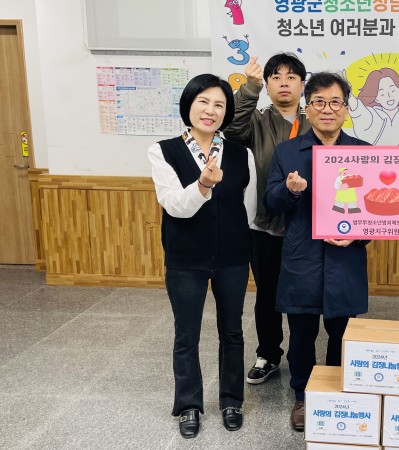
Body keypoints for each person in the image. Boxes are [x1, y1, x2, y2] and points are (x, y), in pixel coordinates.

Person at [148, 74, 256, 438]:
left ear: (227, 112)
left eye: (219, 104)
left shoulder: (241, 153)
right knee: (187, 333)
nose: (211, 110)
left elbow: (248, 207)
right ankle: (189, 405)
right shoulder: (163, 151)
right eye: (203, 102)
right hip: (185, 258)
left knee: (233, 331)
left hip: (233, 256)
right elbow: (175, 206)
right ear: (189, 105)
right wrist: (203, 184)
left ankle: (231, 400)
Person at [264, 72, 371, 432]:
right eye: (319, 102)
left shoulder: (363, 153)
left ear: (346, 108)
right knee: (302, 334)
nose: (327, 109)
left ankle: (338, 393)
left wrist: (357, 237)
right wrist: (290, 190)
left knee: (343, 333)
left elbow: (371, 212)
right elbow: (271, 201)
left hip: (346, 258)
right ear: (307, 109)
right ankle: (303, 396)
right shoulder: (287, 152)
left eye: (335, 102)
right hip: (303, 257)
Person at [224, 52, 311, 386]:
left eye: (291, 77)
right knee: (268, 294)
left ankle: (303, 357)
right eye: (276, 77)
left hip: (307, 226)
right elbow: (232, 130)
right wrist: (250, 87)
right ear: (268, 84)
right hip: (265, 224)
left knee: (305, 295)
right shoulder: (257, 121)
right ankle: (269, 354)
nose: (283, 83)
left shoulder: (317, 119)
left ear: (302, 85)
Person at [347, 67, 399, 145]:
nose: (389, 96)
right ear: (376, 98)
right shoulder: (373, 115)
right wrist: (349, 95)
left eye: (392, 90)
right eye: (382, 94)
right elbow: (359, 111)